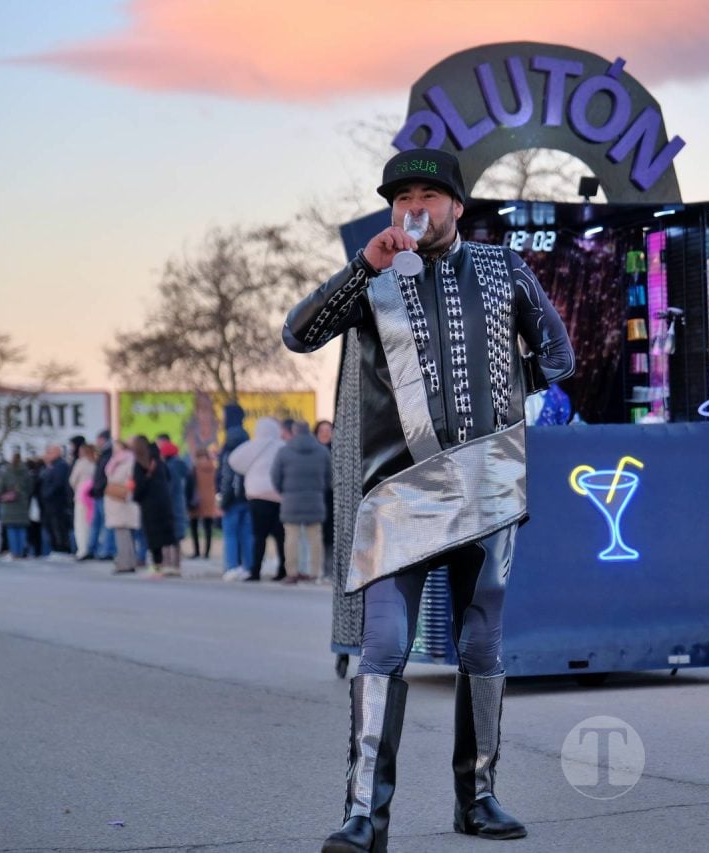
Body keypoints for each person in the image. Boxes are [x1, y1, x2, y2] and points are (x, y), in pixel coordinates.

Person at [283, 147, 574, 850]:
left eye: (428, 194)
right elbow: (298, 333)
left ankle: (479, 798)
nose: (413, 206)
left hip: (488, 483)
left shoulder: (506, 270)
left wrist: (509, 395)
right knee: (383, 645)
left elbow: (558, 354)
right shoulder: (372, 277)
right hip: (399, 492)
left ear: (456, 207)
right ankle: (363, 816)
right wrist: (363, 266)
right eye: (401, 196)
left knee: (482, 642)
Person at [271, 421, 330, 584]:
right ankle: (315, 572)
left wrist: (284, 491)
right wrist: (319, 490)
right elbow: (329, 476)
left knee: (291, 537)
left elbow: (275, 477)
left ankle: (292, 572)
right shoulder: (322, 451)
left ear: (294, 431)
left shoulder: (284, 451)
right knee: (315, 537)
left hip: (291, 500)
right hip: (315, 499)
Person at [229, 417, 286, 582]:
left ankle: (255, 571)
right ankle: (282, 570)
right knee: (280, 536)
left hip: (257, 496)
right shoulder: (281, 446)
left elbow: (233, 460)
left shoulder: (251, 446)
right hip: (278, 495)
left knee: (258, 535)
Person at [132, 436, 179, 576]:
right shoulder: (159, 461)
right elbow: (169, 478)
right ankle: (172, 564)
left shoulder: (140, 464)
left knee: (153, 536)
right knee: (168, 533)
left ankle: (157, 564)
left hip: (149, 505)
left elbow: (138, 486)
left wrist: (136, 496)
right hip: (164, 502)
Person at [217, 405, 253, 581]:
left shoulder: (228, 443)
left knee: (230, 534)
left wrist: (223, 499)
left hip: (232, 497)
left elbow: (226, 475)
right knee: (247, 533)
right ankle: (248, 566)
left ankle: (232, 566)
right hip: (248, 495)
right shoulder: (247, 439)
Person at [103, 439, 140, 574]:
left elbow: (131, 480)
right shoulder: (115, 461)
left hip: (123, 499)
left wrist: (127, 492)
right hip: (115, 500)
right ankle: (127, 560)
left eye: (117, 447)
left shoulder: (129, 461)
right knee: (122, 532)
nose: (115, 449)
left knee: (123, 532)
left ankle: (126, 562)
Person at [157, 436, 191, 568]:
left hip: (168, 503)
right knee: (176, 535)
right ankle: (177, 563)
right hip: (180, 503)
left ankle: (167, 562)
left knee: (166, 533)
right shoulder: (182, 466)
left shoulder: (168, 468)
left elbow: (167, 488)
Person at [0, 451, 33, 559]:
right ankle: (21, 551)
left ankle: (14, 552)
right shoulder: (26, 472)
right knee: (21, 528)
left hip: (9, 505)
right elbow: (30, 488)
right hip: (23, 504)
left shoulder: (5, 472)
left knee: (11, 529)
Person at [37, 444, 73, 554]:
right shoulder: (49, 467)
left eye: (49, 452)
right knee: (51, 526)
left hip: (57, 503)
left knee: (58, 527)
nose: (46, 455)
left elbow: (58, 484)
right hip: (50, 503)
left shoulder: (61, 466)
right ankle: (56, 547)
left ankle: (61, 548)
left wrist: (46, 494)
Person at [86, 430, 116, 561]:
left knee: (106, 524)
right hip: (98, 493)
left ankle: (107, 550)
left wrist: (98, 488)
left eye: (99, 440)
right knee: (96, 523)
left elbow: (105, 476)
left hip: (103, 494)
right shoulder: (103, 455)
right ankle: (93, 549)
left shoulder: (109, 455)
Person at [188, 446, 220, 559]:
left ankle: (197, 551)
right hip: (209, 500)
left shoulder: (194, 468)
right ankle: (206, 552)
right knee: (207, 528)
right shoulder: (213, 467)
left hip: (195, 501)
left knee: (194, 527)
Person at [315, 420, 335, 578]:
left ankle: (329, 570)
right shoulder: (313, 452)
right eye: (322, 430)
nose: (325, 433)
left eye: (328, 430)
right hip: (315, 498)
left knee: (331, 536)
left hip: (332, 498)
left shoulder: (338, 451)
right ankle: (318, 569)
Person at [70, 444, 97, 561]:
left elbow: (72, 480)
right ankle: (92, 547)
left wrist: (78, 488)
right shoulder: (96, 462)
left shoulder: (81, 463)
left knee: (80, 524)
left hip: (81, 496)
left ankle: (82, 550)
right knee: (92, 523)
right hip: (93, 496)